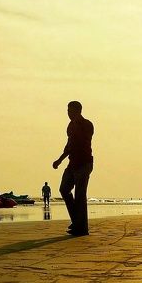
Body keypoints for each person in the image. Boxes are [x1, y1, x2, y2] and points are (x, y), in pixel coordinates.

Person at [51, 100, 94, 236]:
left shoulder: (87, 125)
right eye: (68, 111)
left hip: (84, 163)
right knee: (64, 189)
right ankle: (77, 222)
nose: (69, 113)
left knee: (80, 195)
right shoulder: (70, 126)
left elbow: (81, 142)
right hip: (72, 164)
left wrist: (76, 129)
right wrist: (59, 160)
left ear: (78, 111)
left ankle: (82, 228)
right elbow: (69, 145)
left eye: (71, 111)